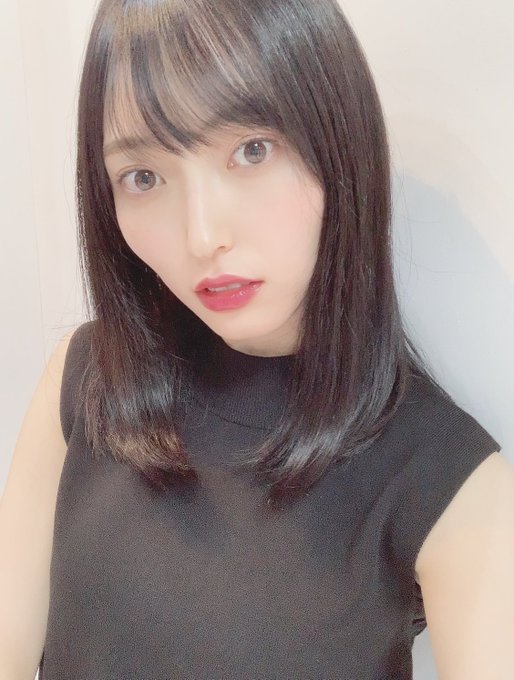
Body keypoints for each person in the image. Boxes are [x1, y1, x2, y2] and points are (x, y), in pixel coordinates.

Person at [1, 0, 513, 678]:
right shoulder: (85, 378)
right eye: (144, 177)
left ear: (339, 142)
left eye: (251, 150)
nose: (201, 236)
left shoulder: (451, 485)